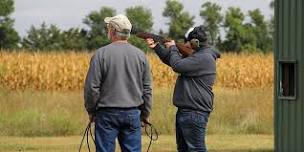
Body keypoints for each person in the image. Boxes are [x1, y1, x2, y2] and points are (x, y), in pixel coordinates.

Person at [146, 25, 220, 152]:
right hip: (188, 111)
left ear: (194, 42)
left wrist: (173, 47)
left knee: (196, 149)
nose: (185, 44)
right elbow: (172, 61)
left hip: (194, 112)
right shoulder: (199, 56)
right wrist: (157, 47)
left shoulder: (203, 57)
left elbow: (177, 65)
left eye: (187, 42)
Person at [84, 14, 152, 152]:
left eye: (108, 28)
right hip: (133, 113)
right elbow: (147, 89)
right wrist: (145, 114)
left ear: (113, 31)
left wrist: (91, 111)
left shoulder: (100, 54)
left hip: (106, 114)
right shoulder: (140, 55)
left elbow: (92, 88)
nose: (107, 30)